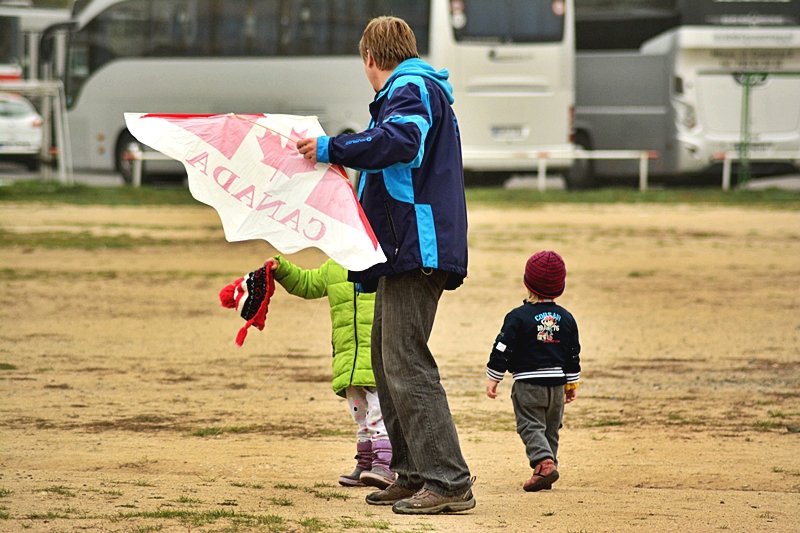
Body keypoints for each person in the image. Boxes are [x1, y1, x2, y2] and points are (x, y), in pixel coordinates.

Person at [296, 16, 473, 515]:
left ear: (370, 58)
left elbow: (402, 141)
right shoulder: (415, 86)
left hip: (416, 248)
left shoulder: (410, 86)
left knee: (405, 360)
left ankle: (450, 480)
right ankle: (413, 472)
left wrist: (334, 147)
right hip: (404, 250)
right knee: (384, 357)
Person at [266, 255, 395, 489]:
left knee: (379, 414)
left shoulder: (383, 261)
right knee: (361, 416)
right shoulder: (334, 265)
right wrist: (281, 269)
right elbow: (307, 283)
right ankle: (365, 463)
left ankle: (385, 464)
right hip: (348, 358)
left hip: (377, 355)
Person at [485, 250, 581, 492]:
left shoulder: (517, 317)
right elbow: (572, 353)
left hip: (528, 384)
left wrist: (494, 377)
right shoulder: (567, 318)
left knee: (530, 426)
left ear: (527, 282)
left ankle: (544, 464)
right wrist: (571, 384)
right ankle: (545, 470)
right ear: (561, 286)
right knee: (551, 428)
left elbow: (502, 348)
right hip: (557, 385)